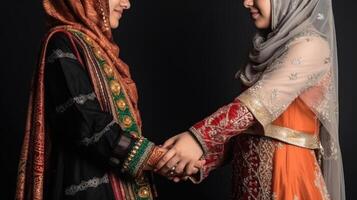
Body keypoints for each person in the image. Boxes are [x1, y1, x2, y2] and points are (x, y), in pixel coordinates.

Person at [155, 0, 345, 199]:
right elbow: (245, 129)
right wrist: (196, 162)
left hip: (286, 178)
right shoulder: (272, 45)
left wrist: (197, 139)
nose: (246, 2)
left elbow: (253, 107)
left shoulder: (311, 46)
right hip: (246, 181)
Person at [15, 0, 204, 199]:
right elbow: (88, 124)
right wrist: (160, 159)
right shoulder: (62, 42)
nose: (126, 4)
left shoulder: (97, 48)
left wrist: (172, 160)